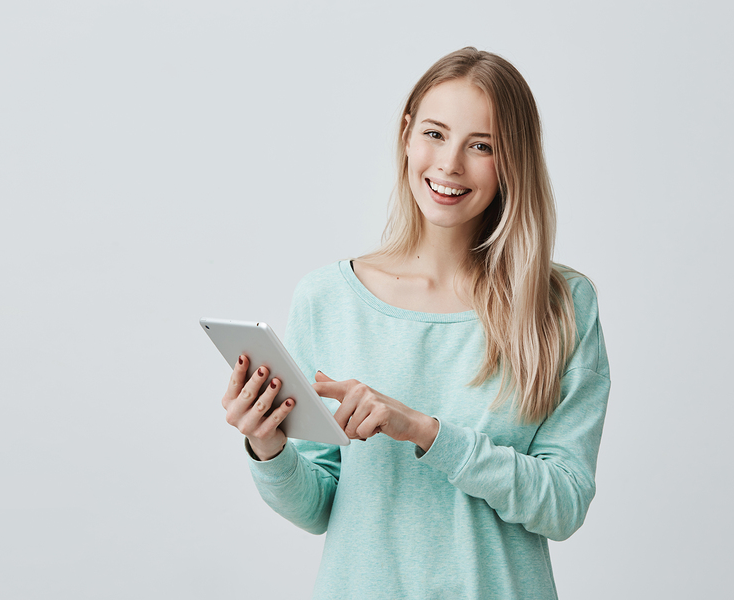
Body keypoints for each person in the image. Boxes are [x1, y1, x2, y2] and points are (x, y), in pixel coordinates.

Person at [220, 47, 610, 600]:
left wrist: (427, 432)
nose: (450, 163)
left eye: (481, 146)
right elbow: (318, 507)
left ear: (514, 161)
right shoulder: (328, 299)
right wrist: (268, 446)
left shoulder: (561, 304)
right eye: (434, 133)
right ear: (406, 135)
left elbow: (564, 506)